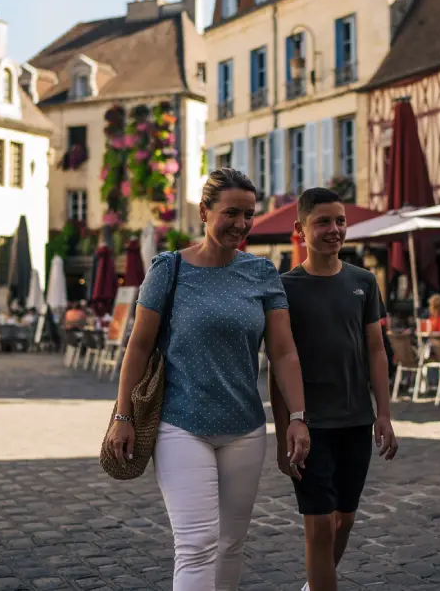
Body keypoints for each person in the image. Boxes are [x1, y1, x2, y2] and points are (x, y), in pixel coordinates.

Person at [105, 168, 310, 591]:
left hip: (245, 428)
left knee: (232, 543)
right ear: (204, 211)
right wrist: (122, 415)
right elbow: (138, 347)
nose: (241, 223)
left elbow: (284, 351)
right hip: (182, 424)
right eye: (231, 212)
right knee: (196, 544)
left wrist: (298, 416)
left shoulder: (262, 273)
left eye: (249, 214)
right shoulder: (169, 269)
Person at [273, 187, 399, 591]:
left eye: (340, 221)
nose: (334, 229)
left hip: (356, 421)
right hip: (310, 426)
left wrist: (384, 413)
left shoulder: (363, 281)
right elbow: (278, 364)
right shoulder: (284, 288)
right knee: (318, 528)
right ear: (300, 229)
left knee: (344, 519)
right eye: (323, 222)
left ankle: (315, 583)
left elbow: (377, 351)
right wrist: (284, 432)